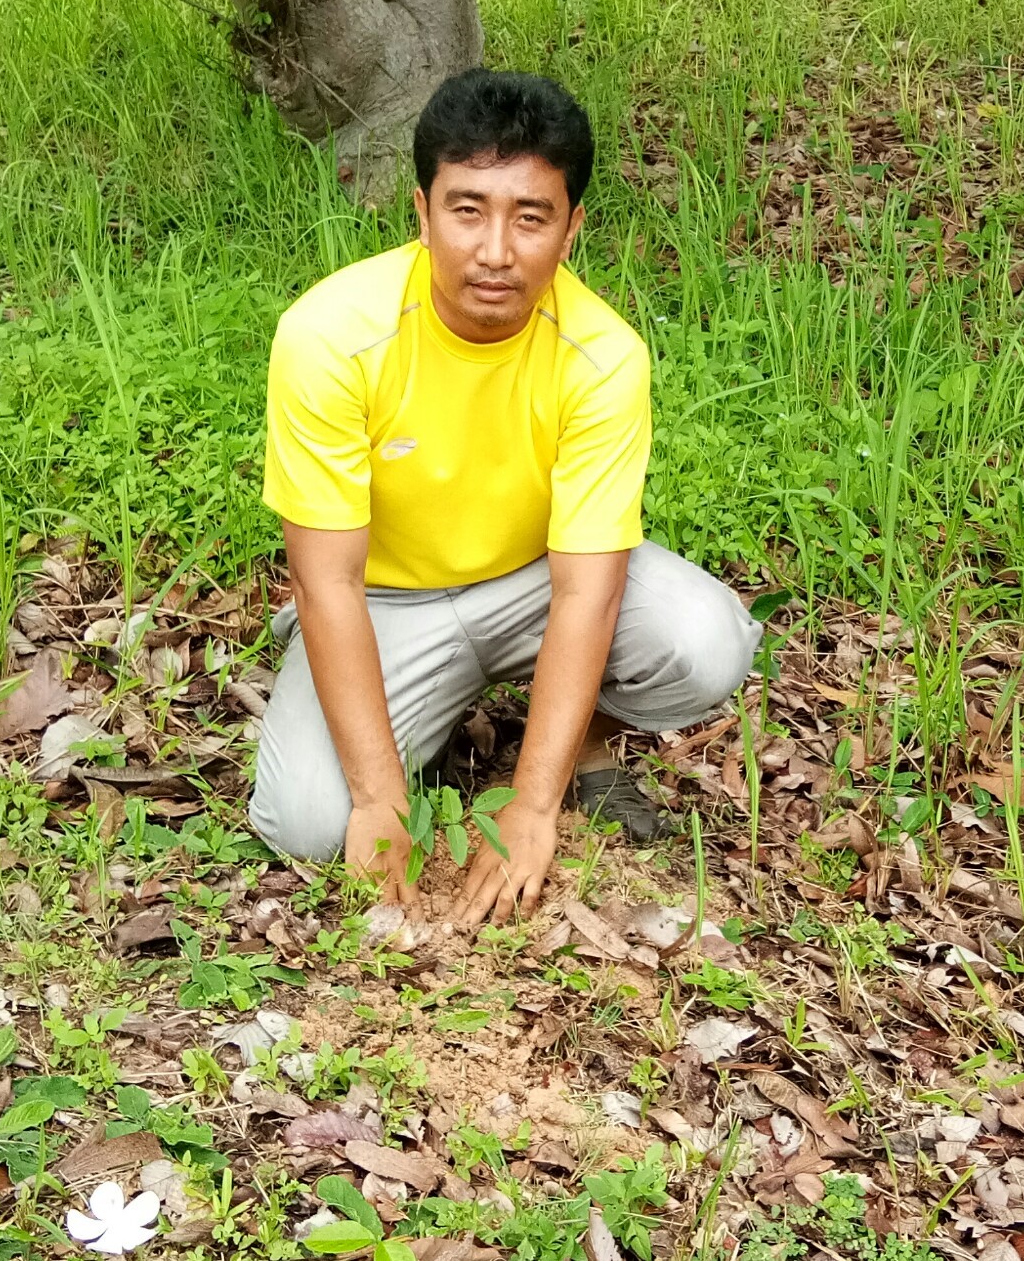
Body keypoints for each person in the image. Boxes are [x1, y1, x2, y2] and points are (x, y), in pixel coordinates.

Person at [248, 68, 762, 927]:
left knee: (704, 640)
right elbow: (325, 579)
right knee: (306, 821)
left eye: (530, 217)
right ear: (422, 214)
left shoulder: (603, 358)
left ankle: (579, 740)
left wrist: (531, 804)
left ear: (571, 230)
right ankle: (409, 715)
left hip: (532, 584)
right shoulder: (331, 336)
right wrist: (378, 798)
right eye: (468, 209)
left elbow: (587, 590)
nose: (495, 250)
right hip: (382, 601)